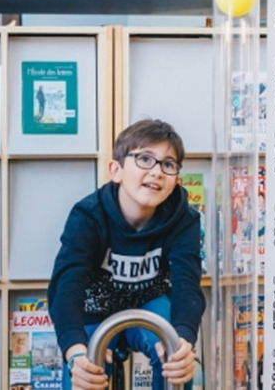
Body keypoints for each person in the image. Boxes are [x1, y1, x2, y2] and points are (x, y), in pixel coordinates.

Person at [48, 118, 205, 390]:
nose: (157, 171)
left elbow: (188, 287)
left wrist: (184, 342)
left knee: (177, 355)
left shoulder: (184, 219)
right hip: (92, 311)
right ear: (116, 170)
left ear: (175, 178)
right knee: (82, 373)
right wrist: (74, 353)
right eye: (145, 159)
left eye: (168, 164)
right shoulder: (87, 215)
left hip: (149, 304)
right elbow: (65, 287)